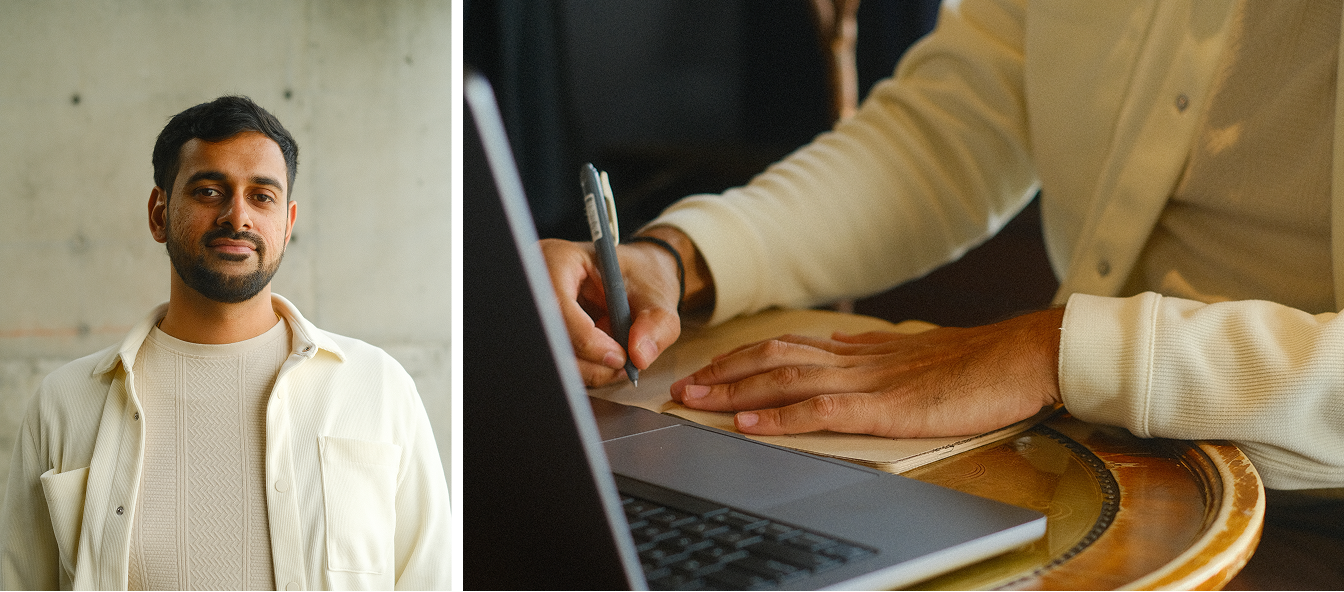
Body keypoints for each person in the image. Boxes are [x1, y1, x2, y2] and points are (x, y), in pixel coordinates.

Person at [543, 0, 1344, 492]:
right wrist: (678, 257)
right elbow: (952, 127)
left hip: (1309, 520)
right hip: (1087, 459)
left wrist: (1054, 351)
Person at [0, 96, 451, 589]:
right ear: (158, 213)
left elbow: (430, 575)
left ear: (287, 223)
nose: (238, 217)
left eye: (262, 196)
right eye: (209, 191)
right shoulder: (64, 403)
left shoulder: (378, 388)